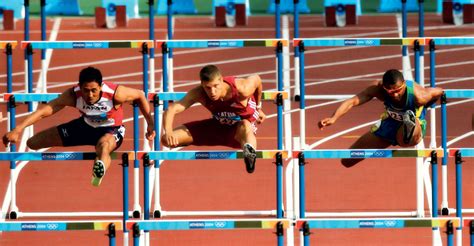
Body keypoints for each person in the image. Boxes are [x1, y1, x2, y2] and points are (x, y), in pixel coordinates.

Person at [2, 66, 155, 186]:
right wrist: (17, 129)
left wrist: (150, 123)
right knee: (33, 143)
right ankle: (100, 162)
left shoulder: (116, 93)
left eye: (94, 90)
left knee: (103, 146)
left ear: (101, 87)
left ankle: (99, 169)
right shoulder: (72, 95)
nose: (90, 95)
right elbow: (44, 111)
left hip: (111, 130)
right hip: (85, 126)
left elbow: (140, 95)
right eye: (86, 90)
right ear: (79, 87)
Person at [318, 69, 443, 167]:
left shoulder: (419, 95)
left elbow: (439, 91)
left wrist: (431, 102)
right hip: (389, 125)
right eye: (390, 91)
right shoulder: (378, 89)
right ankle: (406, 124)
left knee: (407, 135)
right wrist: (333, 118)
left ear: (404, 84)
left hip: (414, 129)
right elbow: (353, 101)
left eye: (398, 90)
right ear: (384, 87)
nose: (394, 94)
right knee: (347, 160)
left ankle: (409, 126)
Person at [161, 64, 265, 173]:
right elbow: (172, 109)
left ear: (221, 80)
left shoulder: (242, 88)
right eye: (208, 88)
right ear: (202, 84)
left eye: (216, 86)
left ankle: (249, 153)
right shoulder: (199, 93)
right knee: (165, 140)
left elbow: (257, 79)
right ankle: (182, 140)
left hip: (239, 133)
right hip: (216, 127)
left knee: (245, 124)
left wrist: (258, 107)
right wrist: (168, 132)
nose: (212, 92)